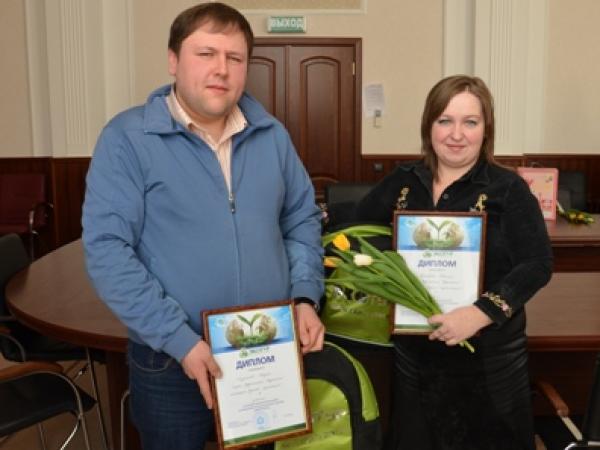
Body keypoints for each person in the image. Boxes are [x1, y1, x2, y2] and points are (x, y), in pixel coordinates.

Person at [82, 3, 325, 449]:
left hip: (264, 352)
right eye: (206, 54)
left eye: (235, 58)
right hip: (172, 360)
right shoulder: (127, 139)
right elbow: (107, 250)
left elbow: (301, 219)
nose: (221, 69)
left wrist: (305, 297)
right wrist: (179, 341)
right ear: (173, 60)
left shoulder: (272, 135)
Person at [356, 75, 553, 450]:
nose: (456, 134)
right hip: (415, 364)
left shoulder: (508, 189)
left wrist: (480, 313)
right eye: (445, 120)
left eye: (470, 122)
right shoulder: (403, 182)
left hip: (488, 365)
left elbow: (537, 263)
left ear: (486, 129)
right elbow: (360, 230)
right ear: (428, 126)